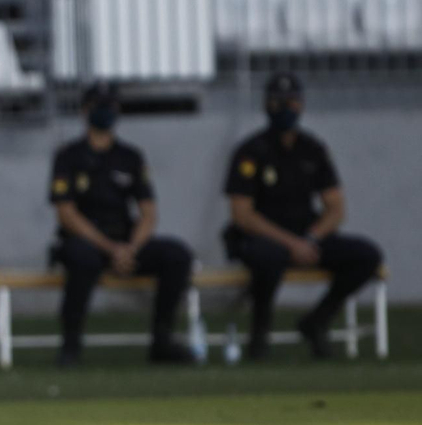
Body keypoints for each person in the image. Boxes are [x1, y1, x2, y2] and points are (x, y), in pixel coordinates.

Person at [223, 73, 383, 360]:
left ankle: (318, 320)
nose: (286, 108)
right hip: (265, 237)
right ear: (266, 105)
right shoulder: (251, 151)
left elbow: (335, 208)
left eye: (292, 101)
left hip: (309, 236)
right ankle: (259, 335)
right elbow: (242, 214)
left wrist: (310, 238)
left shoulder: (313, 149)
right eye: (279, 102)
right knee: (268, 259)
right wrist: (291, 244)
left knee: (366, 256)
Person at [49, 82, 194, 367]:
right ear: (85, 111)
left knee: (177, 255)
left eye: (110, 107)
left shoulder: (130, 157)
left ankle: (162, 341)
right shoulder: (69, 157)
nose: (105, 113)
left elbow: (149, 213)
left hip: (125, 240)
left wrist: (130, 248)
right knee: (82, 258)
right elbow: (66, 213)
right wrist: (110, 248)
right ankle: (71, 345)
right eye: (98, 107)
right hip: (86, 240)